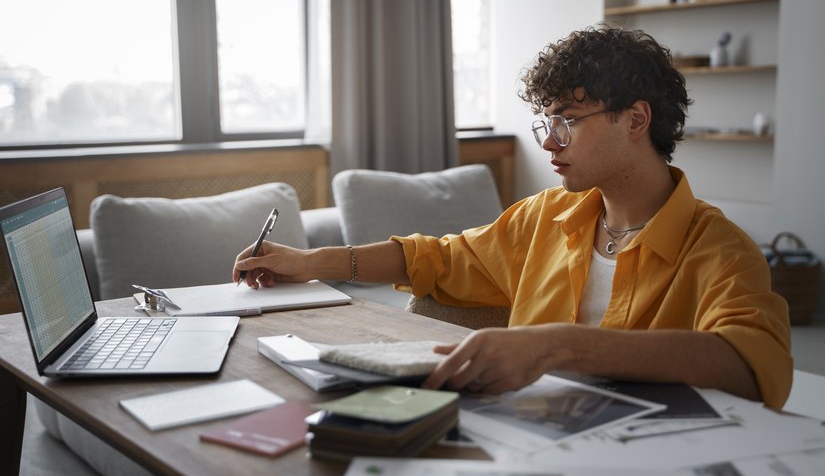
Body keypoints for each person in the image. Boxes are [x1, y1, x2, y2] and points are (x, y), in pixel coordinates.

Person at [233, 25, 792, 410]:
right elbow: (436, 258)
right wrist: (311, 262)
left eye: (568, 120)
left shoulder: (721, 249)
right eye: (546, 122)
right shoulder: (544, 218)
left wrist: (558, 345)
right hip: (522, 439)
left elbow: (751, 362)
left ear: (636, 120)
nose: (549, 141)